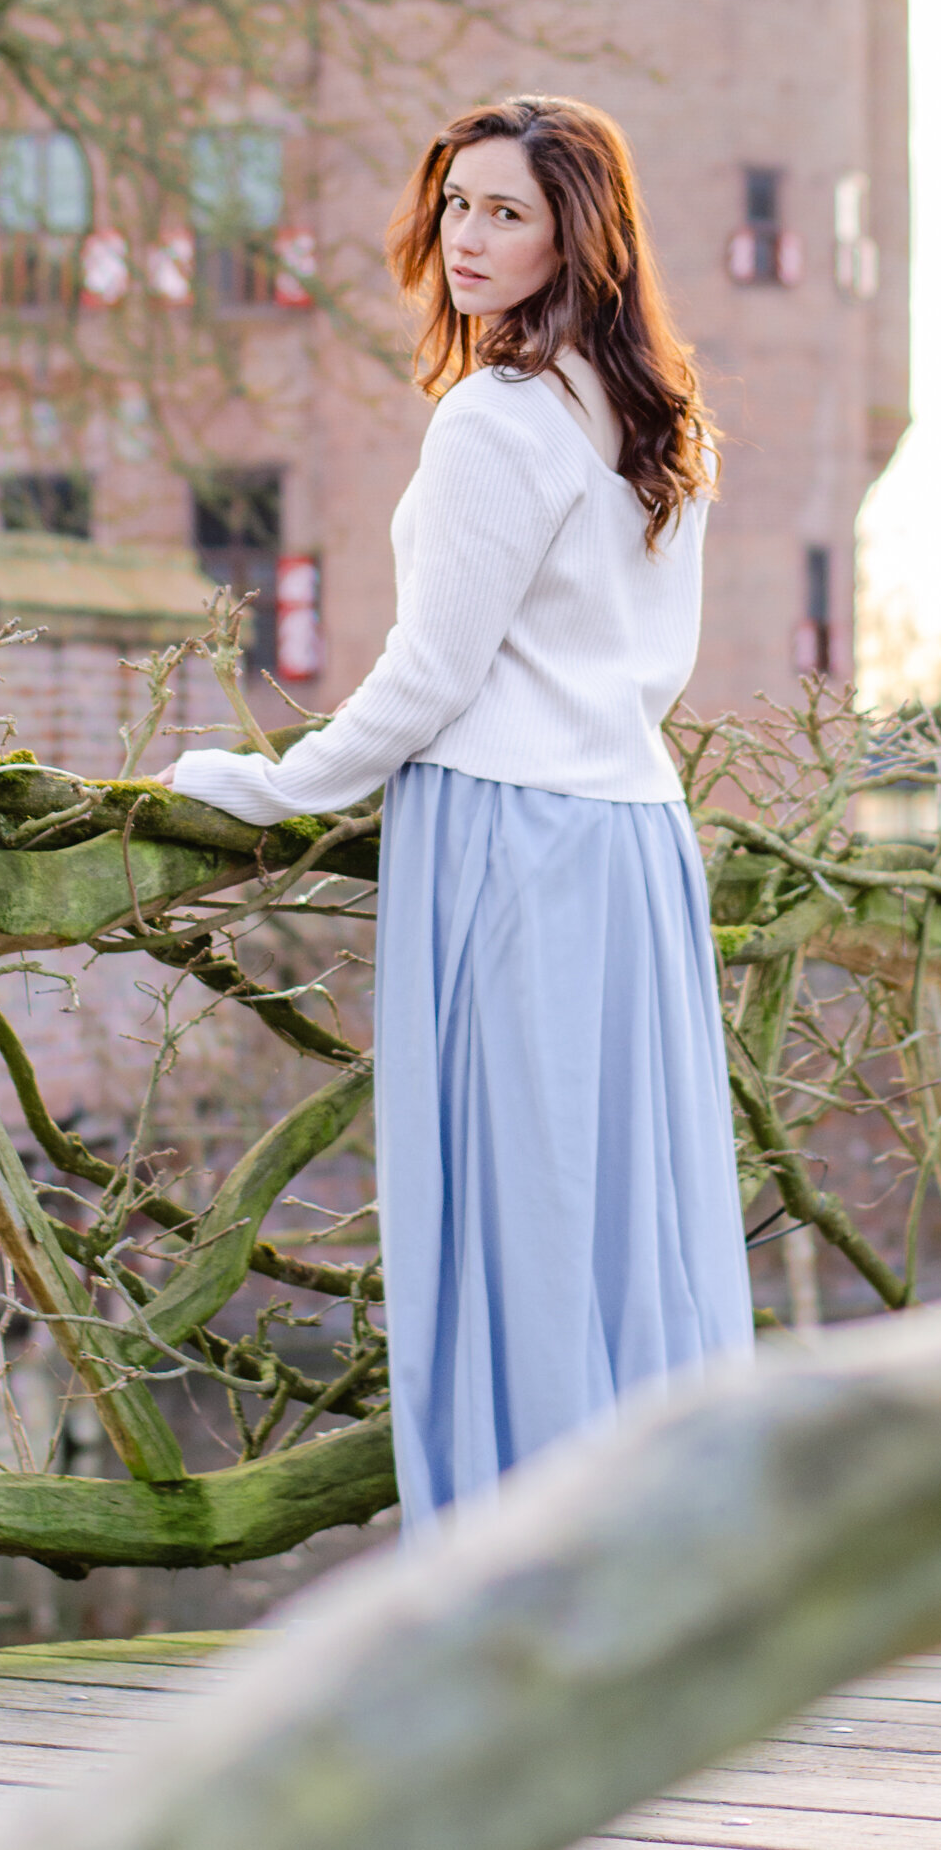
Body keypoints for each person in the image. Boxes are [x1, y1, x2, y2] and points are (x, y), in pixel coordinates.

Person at [173, 94, 754, 1528]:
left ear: (577, 231)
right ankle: (651, 1538)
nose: (471, 236)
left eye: (508, 210)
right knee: (629, 1217)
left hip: (511, 839)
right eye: (457, 206)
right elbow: (648, 667)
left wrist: (262, 781)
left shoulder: (496, 421)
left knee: (523, 1218)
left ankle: (527, 1567)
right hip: (628, 839)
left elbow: (429, 675)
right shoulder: (646, 415)